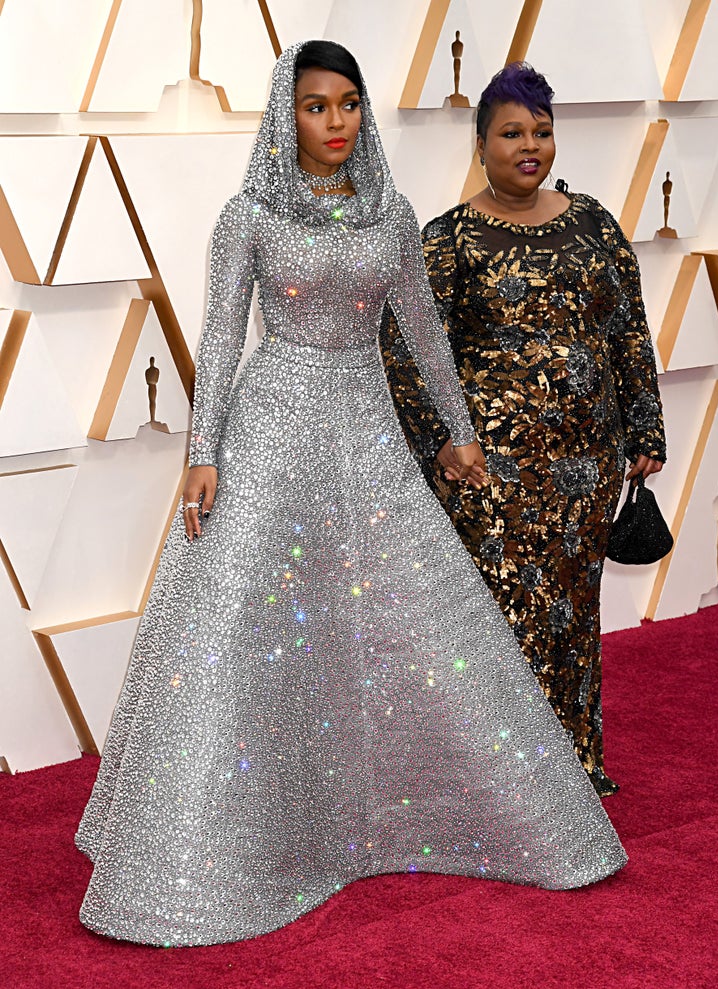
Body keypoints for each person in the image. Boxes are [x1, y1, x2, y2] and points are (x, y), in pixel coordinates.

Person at [75, 42, 626, 948]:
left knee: (407, 619)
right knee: (237, 630)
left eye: (348, 105)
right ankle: (204, 849)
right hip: (271, 426)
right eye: (314, 107)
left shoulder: (391, 214)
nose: (335, 123)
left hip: (366, 430)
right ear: (284, 115)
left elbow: (423, 332)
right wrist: (203, 450)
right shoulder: (247, 214)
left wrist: (457, 432)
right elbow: (218, 338)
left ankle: (394, 819)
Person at [380, 62, 666, 797]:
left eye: (542, 130)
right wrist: (438, 441)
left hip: (588, 468)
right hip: (492, 475)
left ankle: (574, 765)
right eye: (512, 132)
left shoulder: (595, 224)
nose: (530, 145)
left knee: (572, 616)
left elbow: (629, 331)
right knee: (502, 616)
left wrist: (645, 429)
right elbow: (405, 350)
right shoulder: (448, 241)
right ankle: (500, 779)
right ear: (480, 144)